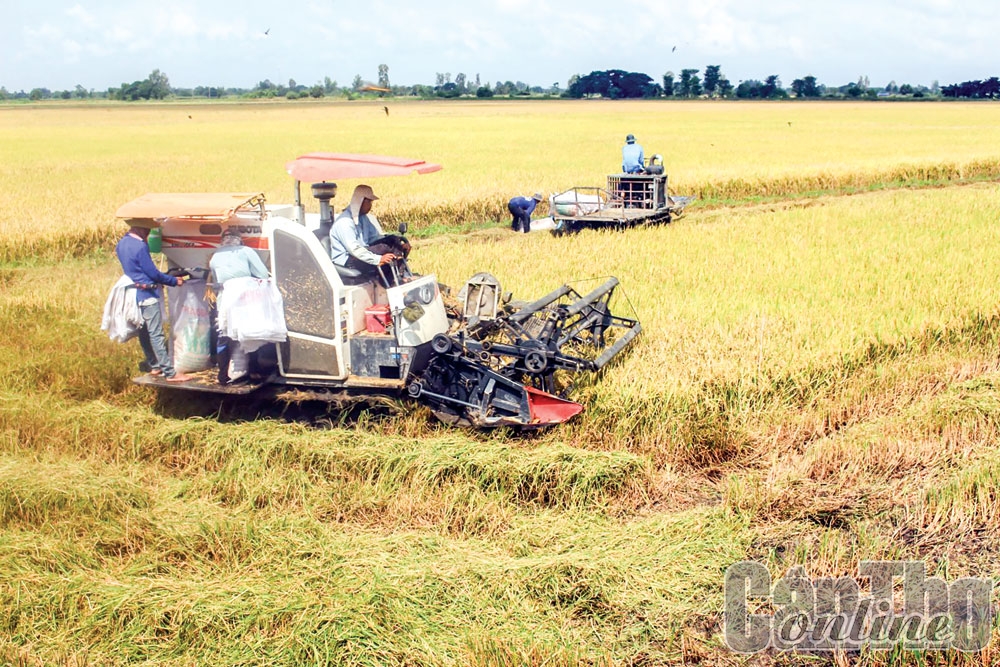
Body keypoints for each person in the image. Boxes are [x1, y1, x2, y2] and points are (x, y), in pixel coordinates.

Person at [114, 219, 192, 382]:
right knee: (156, 333)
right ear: (142, 230)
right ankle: (170, 373)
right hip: (146, 294)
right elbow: (152, 273)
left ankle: (154, 365)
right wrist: (173, 281)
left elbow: (137, 271)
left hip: (133, 294)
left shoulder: (121, 243)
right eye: (147, 231)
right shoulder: (140, 246)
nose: (148, 235)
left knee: (143, 331)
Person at [209, 228, 270, 384]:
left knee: (223, 336)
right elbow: (262, 274)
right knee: (250, 332)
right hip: (245, 301)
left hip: (224, 302)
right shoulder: (246, 251)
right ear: (239, 239)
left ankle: (222, 376)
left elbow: (216, 282)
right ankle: (254, 370)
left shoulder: (215, 256)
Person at [329, 184, 407, 278]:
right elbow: (354, 249)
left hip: (362, 252)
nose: (371, 206)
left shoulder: (363, 218)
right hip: (347, 260)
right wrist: (378, 259)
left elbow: (375, 237)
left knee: (391, 240)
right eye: (369, 202)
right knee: (384, 248)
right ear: (360, 201)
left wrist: (398, 244)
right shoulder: (344, 222)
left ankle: (400, 275)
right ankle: (393, 279)